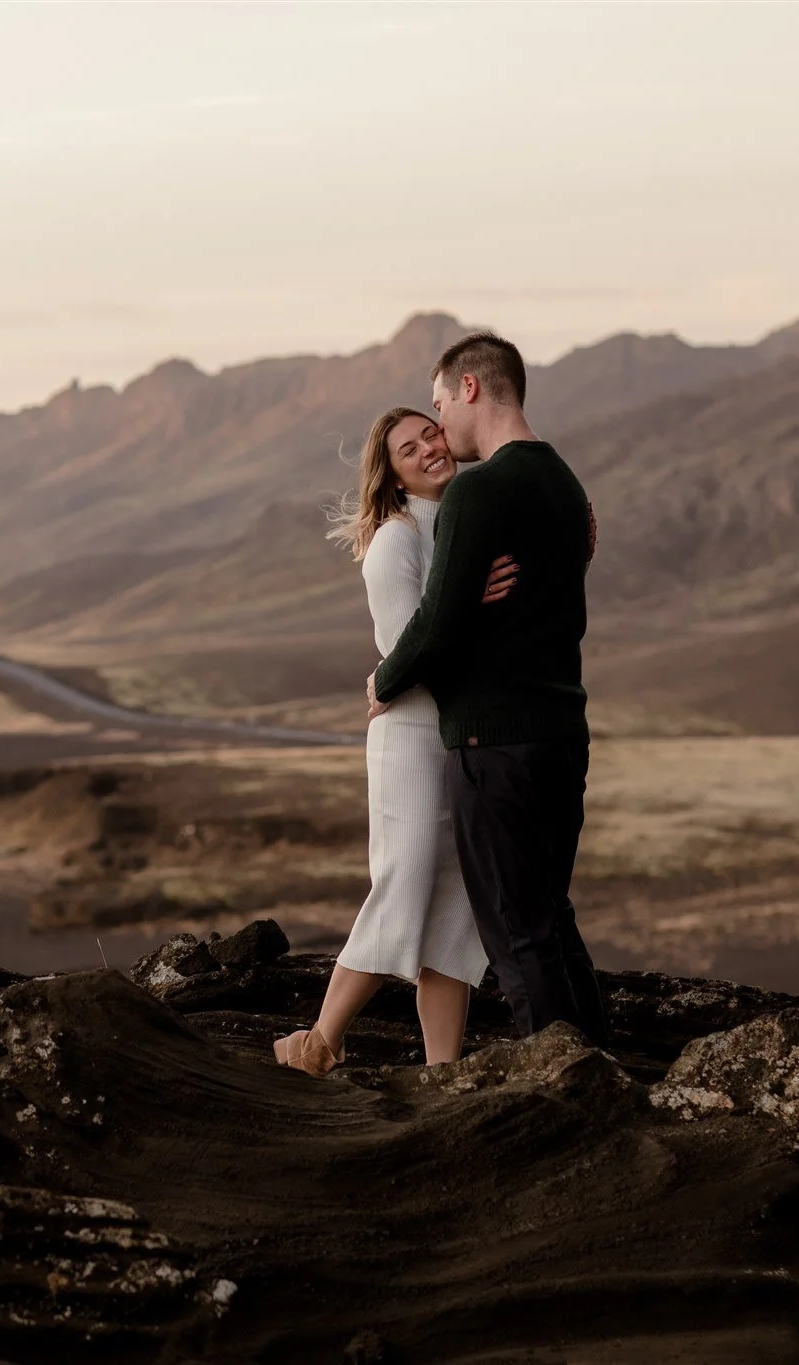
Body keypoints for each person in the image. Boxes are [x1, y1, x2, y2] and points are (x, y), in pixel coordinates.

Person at [369, 332, 612, 1045]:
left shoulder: (479, 490)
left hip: (495, 744)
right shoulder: (566, 484)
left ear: (470, 389)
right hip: (563, 734)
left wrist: (385, 678)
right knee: (552, 920)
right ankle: (600, 1077)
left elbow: (437, 624)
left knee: (516, 936)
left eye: (440, 404)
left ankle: (560, 1098)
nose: (440, 425)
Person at [272, 407, 517, 1076]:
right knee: (404, 883)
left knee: (455, 901)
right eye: (411, 447)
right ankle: (319, 1041)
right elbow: (414, 651)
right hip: (410, 739)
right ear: (393, 470)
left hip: (458, 736)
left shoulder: (466, 518)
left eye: (432, 432)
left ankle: (442, 1068)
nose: (431, 448)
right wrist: (475, 603)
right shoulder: (396, 541)